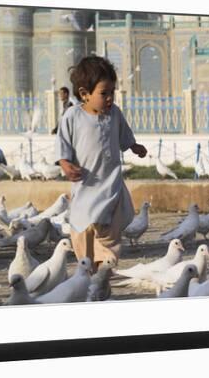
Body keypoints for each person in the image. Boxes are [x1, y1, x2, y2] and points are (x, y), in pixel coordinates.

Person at [55, 56, 147, 270]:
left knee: (110, 234)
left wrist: (134, 146)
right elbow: (63, 143)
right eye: (103, 93)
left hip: (110, 186)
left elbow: (124, 135)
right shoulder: (72, 116)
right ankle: (88, 269)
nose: (109, 99)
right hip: (86, 186)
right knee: (83, 229)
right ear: (84, 94)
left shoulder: (114, 114)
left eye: (112, 93)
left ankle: (103, 269)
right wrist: (65, 163)